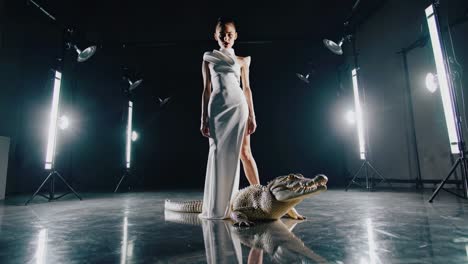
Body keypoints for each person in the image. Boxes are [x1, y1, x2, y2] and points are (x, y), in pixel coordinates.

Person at [199, 17, 259, 219]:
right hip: (217, 108)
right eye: (222, 34)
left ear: (235, 36)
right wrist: (203, 118)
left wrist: (252, 114)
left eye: (229, 34)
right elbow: (206, 90)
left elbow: (247, 89)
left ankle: (260, 196)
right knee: (216, 152)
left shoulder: (243, 61)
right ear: (215, 36)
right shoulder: (208, 57)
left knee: (245, 152)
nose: (226, 37)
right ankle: (218, 204)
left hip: (238, 106)